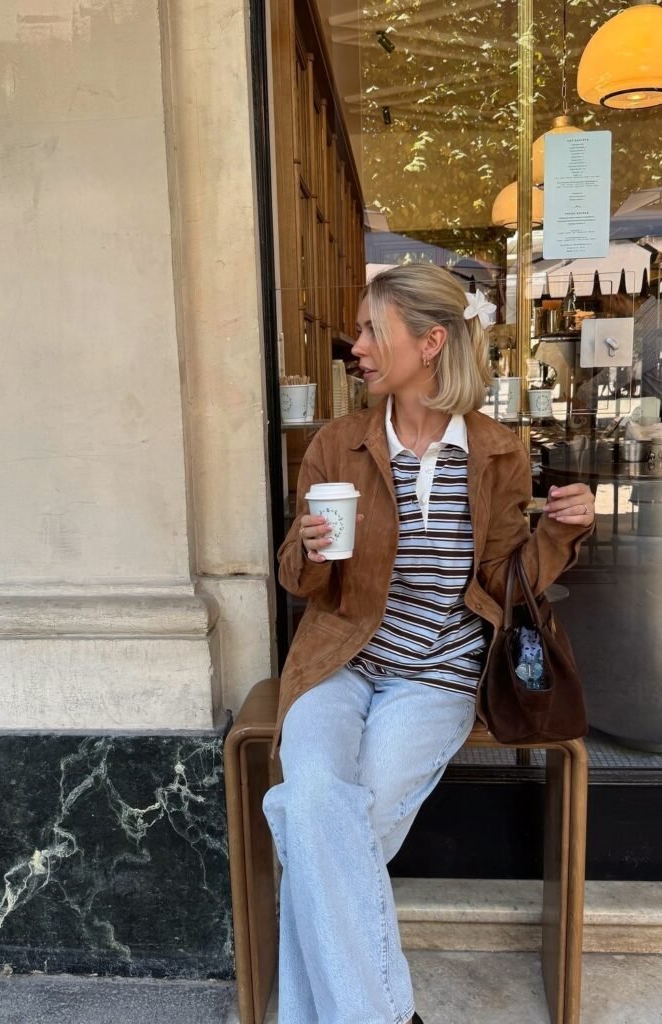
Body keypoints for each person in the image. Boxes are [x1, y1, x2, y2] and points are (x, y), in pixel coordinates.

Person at [263, 264, 595, 1024]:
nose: (355, 346)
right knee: (314, 806)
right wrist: (308, 550)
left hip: (437, 673)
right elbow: (298, 579)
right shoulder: (337, 443)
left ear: (430, 342)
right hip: (336, 662)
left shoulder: (497, 451)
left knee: (319, 835)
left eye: (371, 330)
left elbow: (505, 580)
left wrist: (559, 534)